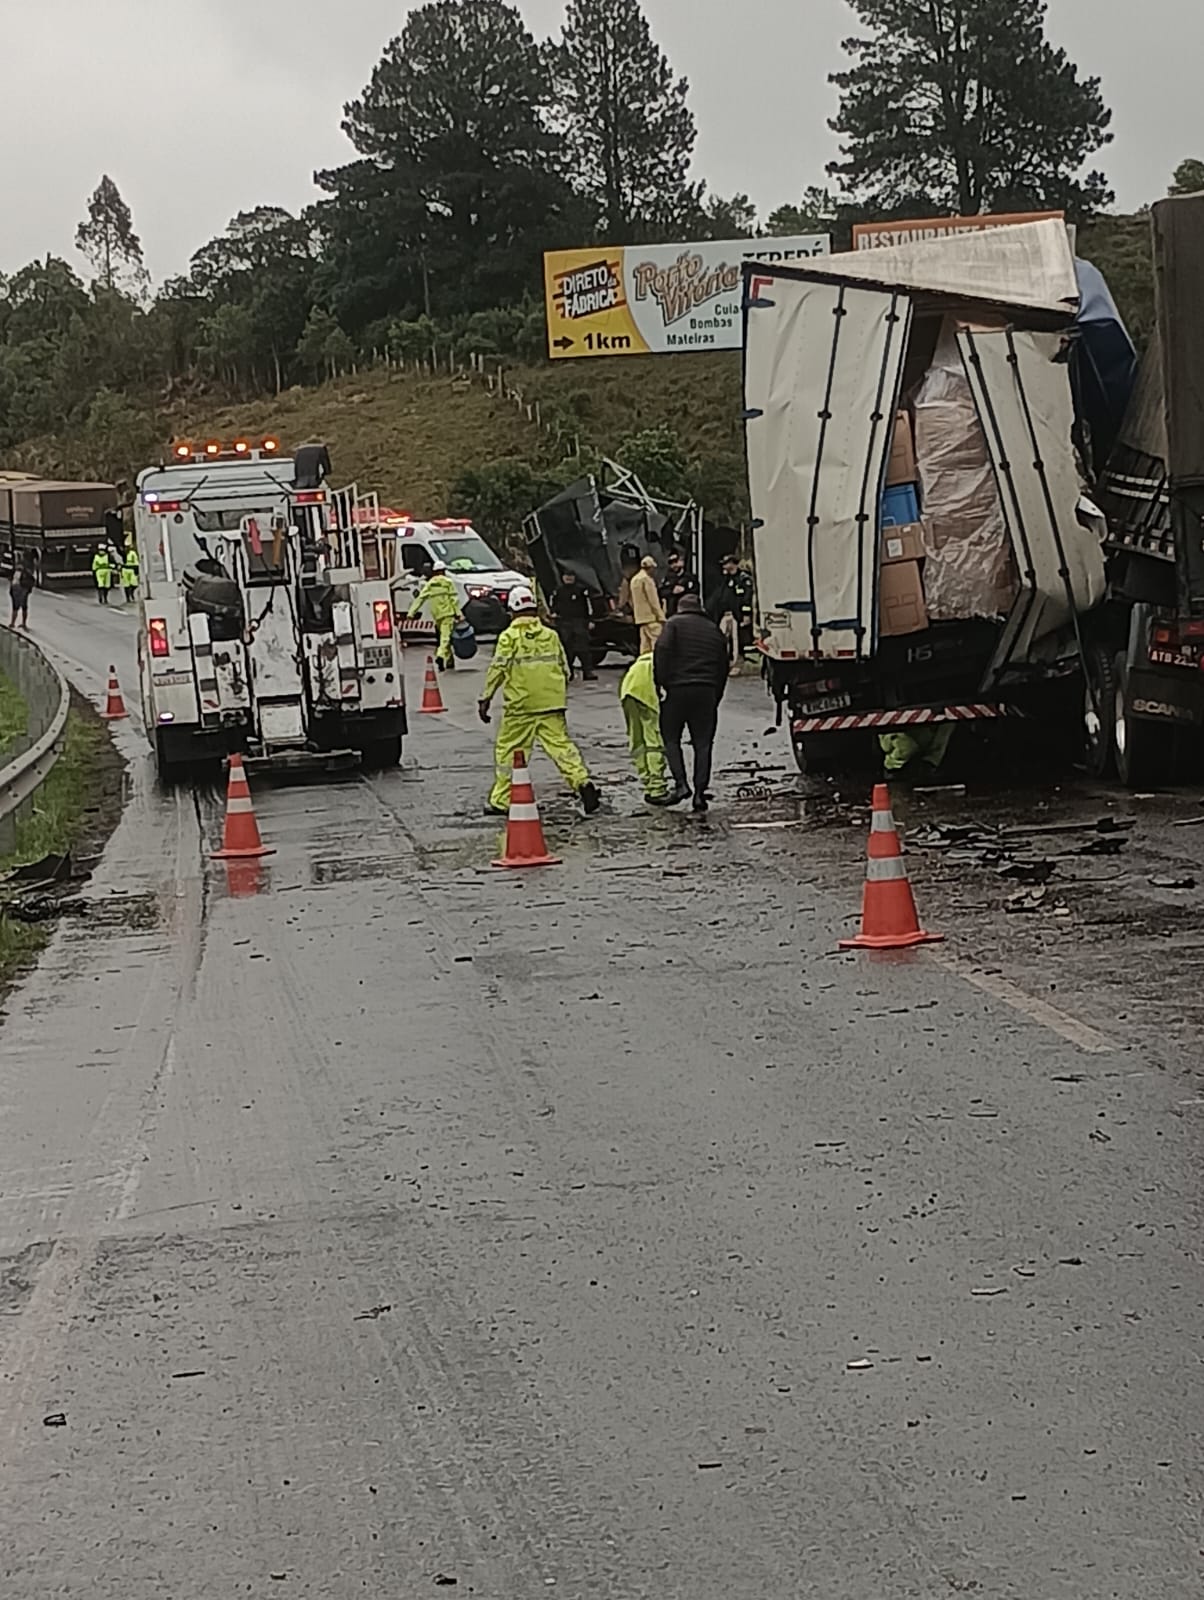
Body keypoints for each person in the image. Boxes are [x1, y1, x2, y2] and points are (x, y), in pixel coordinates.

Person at [478, 584, 600, 817]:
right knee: (561, 747)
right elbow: (565, 668)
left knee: (509, 751)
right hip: (551, 703)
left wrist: (485, 698)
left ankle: (502, 799)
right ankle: (582, 782)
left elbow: (498, 669)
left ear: (512, 610)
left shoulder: (509, 637)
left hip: (521, 706)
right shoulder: (550, 635)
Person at [654, 593, 729, 813]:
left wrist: (661, 683)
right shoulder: (713, 630)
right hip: (706, 691)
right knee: (703, 744)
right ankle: (699, 793)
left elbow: (662, 652)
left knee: (670, 738)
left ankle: (680, 784)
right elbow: (722, 666)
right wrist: (716, 694)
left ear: (680, 608)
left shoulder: (673, 625)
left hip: (677, 690)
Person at [619, 649, 669, 804]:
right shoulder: (670, 660)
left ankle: (646, 782)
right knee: (654, 740)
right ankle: (656, 787)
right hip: (646, 694)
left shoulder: (647, 659)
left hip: (628, 690)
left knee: (637, 737)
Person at [408, 560, 463, 670]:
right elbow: (454, 600)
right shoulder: (448, 583)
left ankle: (449, 661)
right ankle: (440, 655)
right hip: (448, 614)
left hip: (437, 616)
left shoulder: (430, 584)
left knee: (443, 637)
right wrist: (458, 614)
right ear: (443, 571)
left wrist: (411, 612)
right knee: (445, 638)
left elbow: (420, 599)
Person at [712, 554, 756, 674]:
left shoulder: (743, 579)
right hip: (725, 614)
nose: (724, 567)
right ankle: (725, 663)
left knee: (736, 641)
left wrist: (746, 614)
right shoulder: (726, 580)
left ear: (733, 564)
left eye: (726, 564)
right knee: (723, 639)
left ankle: (737, 663)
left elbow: (747, 598)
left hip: (736, 615)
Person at [553, 569, 596, 681]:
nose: (568, 578)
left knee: (584, 648)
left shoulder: (581, 590)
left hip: (579, 621)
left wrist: (590, 620)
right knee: (567, 649)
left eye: (571, 576)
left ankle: (588, 672)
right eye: (566, 576)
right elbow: (553, 605)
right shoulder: (558, 591)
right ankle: (569, 672)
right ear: (563, 577)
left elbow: (588, 607)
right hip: (564, 622)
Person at [629, 554, 665, 653]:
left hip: (640, 618)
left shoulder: (634, 579)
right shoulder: (647, 580)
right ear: (651, 568)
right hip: (652, 618)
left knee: (645, 646)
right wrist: (661, 617)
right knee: (656, 644)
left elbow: (632, 600)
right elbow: (653, 601)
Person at [660, 550, 700, 618]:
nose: (674, 565)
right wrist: (672, 591)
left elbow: (695, 592)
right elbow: (661, 592)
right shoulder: (667, 579)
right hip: (672, 614)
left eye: (676, 561)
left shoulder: (690, 578)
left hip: (687, 613)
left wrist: (685, 590)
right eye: (671, 563)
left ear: (682, 561)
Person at [8, 559, 35, 630]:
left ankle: (19, 623)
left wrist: (27, 590)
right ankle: (15, 623)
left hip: (21, 591)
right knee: (18, 608)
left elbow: (31, 581)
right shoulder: (15, 572)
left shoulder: (25, 573)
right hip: (17, 591)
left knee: (21, 608)